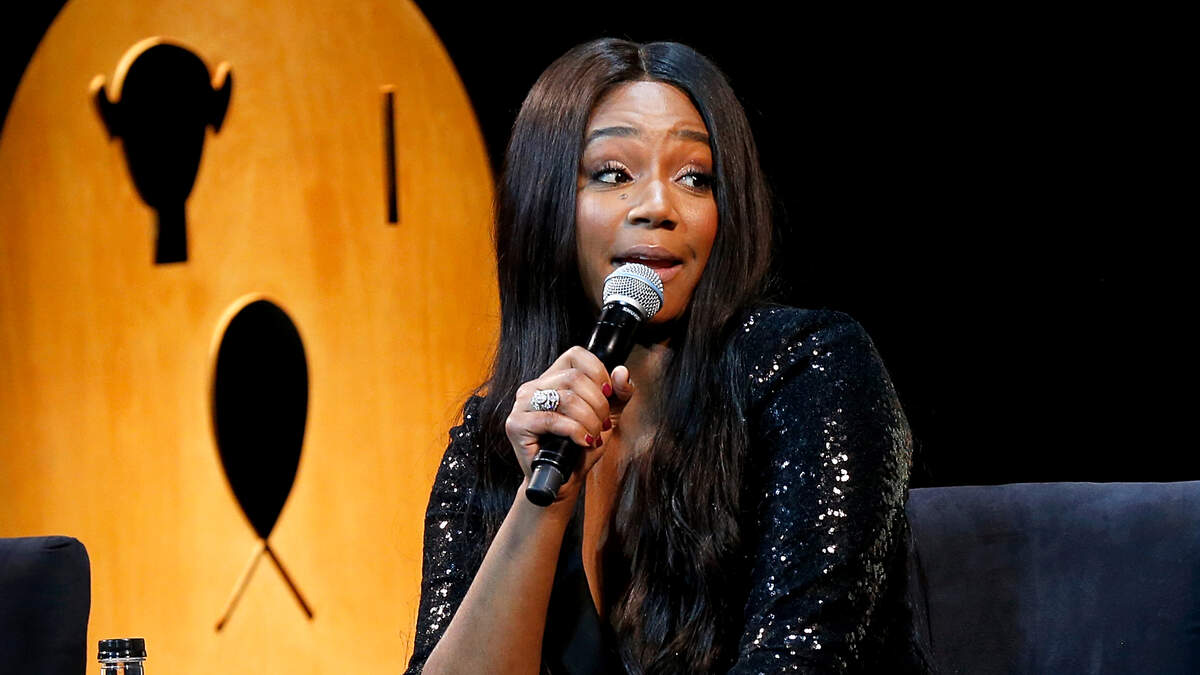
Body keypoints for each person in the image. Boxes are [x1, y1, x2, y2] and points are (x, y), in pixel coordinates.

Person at [404, 38, 935, 674]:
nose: (658, 206)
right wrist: (542, 503)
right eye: (613, 173)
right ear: (545, 203)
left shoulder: (809, 368)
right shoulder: (496, 435)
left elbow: (800, 658)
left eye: (694, 178)